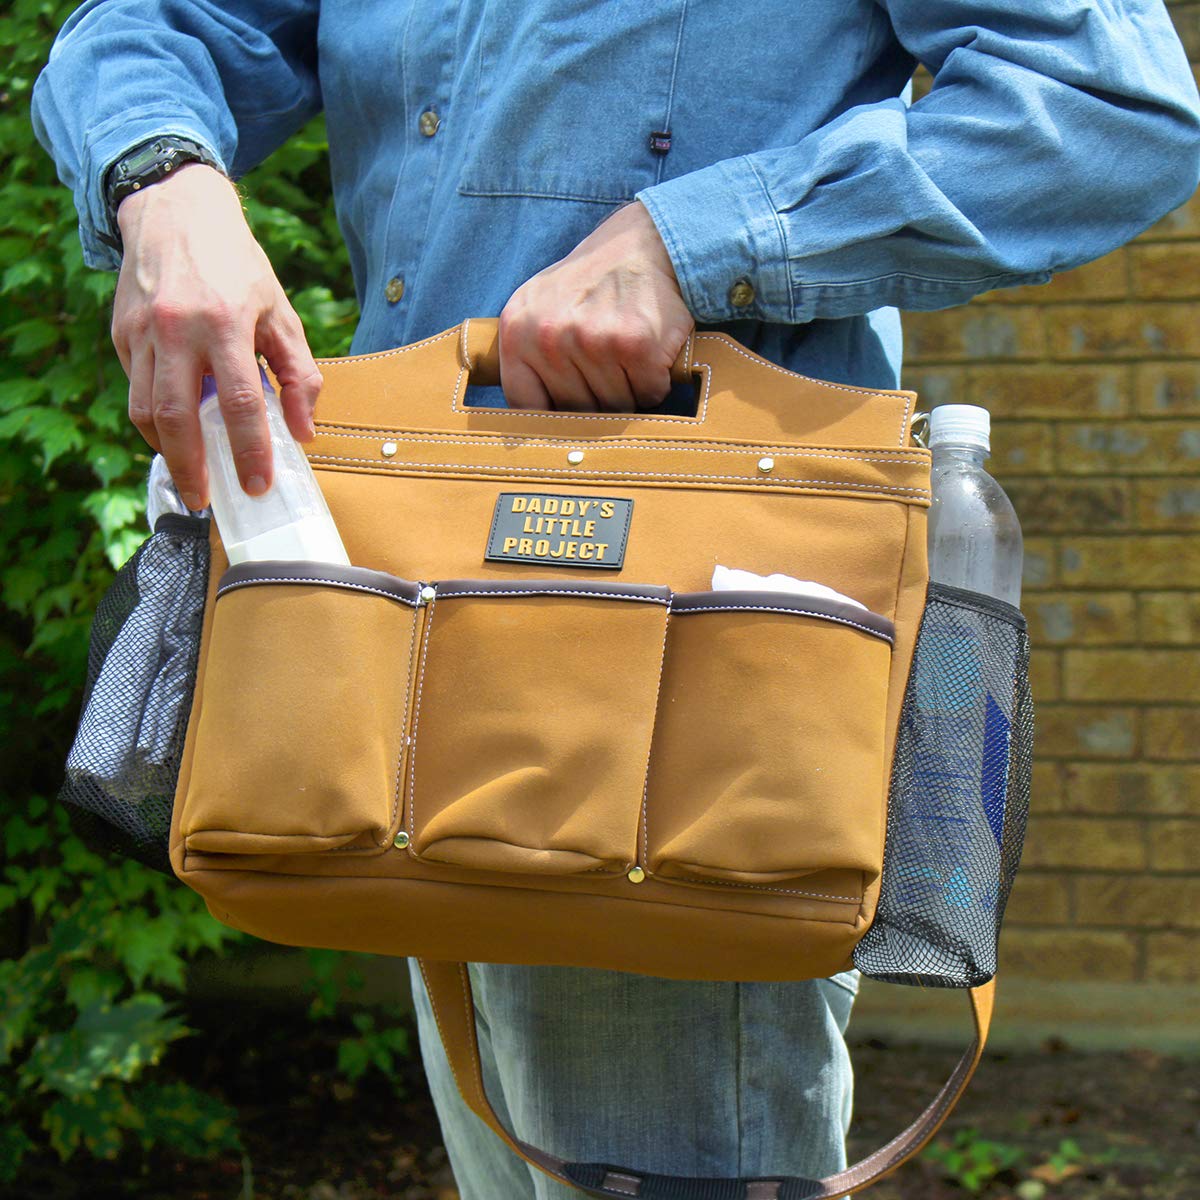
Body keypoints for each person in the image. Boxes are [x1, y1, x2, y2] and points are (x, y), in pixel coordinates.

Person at [32, 2, 1200, 1196]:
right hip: (404, 688)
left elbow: (1108, 107)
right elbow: (149, 28)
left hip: (700, 728)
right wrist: (163, 186)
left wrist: (686, 242)